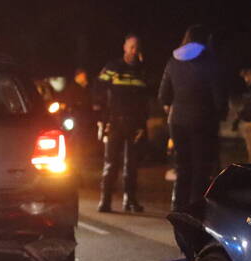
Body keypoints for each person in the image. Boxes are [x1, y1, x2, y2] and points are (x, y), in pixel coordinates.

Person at [159, 24, 225, 211]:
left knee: (183, 166)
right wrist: (221, 113)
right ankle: (196, 209)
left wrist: (171, 108)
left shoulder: (173, 60)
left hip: (177, 121)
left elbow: (163, 95)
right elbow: (218, 93)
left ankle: (178, 207)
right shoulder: (209, 60)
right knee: (201, 167)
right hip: (203, 120)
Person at [95, 34, 148, 212]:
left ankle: (130, 200)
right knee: (111, 163)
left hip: (134, 124)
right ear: (125, 47)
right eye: (131, 47)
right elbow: (98, 89)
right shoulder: (113, 67)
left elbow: (144, 101)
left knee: (132, 165)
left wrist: (142, 125)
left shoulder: (142, 70)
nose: (134, 50)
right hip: (114, 122)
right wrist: (103, 119)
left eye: (136, 47)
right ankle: (105, 200)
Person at [233, 68, 251, 163]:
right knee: (250, 150)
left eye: (248, 76)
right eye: (245, 77)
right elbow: (247, 107)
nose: (246, 79)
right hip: (248, 122)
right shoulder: (250, 90)